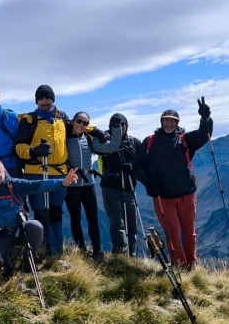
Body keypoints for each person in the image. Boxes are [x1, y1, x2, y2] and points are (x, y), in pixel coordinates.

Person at [133, 100, 213, 269]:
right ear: (161, 122)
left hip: (186, 194)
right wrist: (149, 183)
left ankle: (190, 266)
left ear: (177, 123)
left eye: (173, 121)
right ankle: (178, 266)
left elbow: (204, 134)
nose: (169, 123)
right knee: (173, 235)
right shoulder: (150, 141)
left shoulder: (184, 139)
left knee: (189, 234)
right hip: (163, 197)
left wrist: (206, 118)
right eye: (166, 120)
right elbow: (137, 166)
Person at [15, 85, 70, 255]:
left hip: (60, 172)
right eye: (41, 99)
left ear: (53, 99)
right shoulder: (29, 120)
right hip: (37, 171)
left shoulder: (62, 118)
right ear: (37, 101)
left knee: (55, 211)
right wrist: (33, 151)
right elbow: (19, 146)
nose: (44, 102)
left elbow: (78, 127)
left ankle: (56, 250)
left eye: (47, 98)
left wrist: (94, 130)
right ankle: (42, 248)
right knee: (40, 210)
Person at [64, 112, 122, 261]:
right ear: (73, 121)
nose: (81, 125)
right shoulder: (63, 138)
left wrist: (116, 129)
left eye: (85, 123)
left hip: (88, 185)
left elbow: (112, 146)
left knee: (93, 219)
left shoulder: (90, 139)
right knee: (75, 219)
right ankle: (83, 251)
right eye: (79, 121)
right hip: (72, 186)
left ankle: (98, 252)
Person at [98, 113, 142, 255]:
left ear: (126, 125)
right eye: (115, 125)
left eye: (122, 124)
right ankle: (120, 254)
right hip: (110, 187)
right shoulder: (105, 141)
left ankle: (132, 253)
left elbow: (142, 163)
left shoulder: (134, 142)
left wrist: (132, 168)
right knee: (117, 222)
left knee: (131, 223)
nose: (119, 127)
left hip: (129, 187)